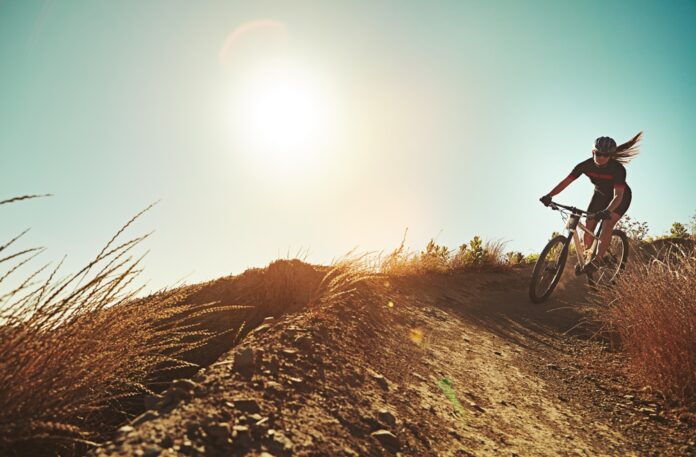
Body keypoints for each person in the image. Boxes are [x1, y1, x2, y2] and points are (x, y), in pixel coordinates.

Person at [539, 132, 643, 272]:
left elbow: (618, 195)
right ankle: (587, 258)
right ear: (593, 151)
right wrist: (549, 195)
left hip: (620, 198)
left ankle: (598, 260)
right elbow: (565, 182)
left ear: (611, 156)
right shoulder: (584, 166)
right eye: (598, 153)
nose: (601, 157)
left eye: (606, 155)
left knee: (607, 223)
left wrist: (608, 211)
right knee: (589, 225)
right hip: (600, 195)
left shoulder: (618, 169)